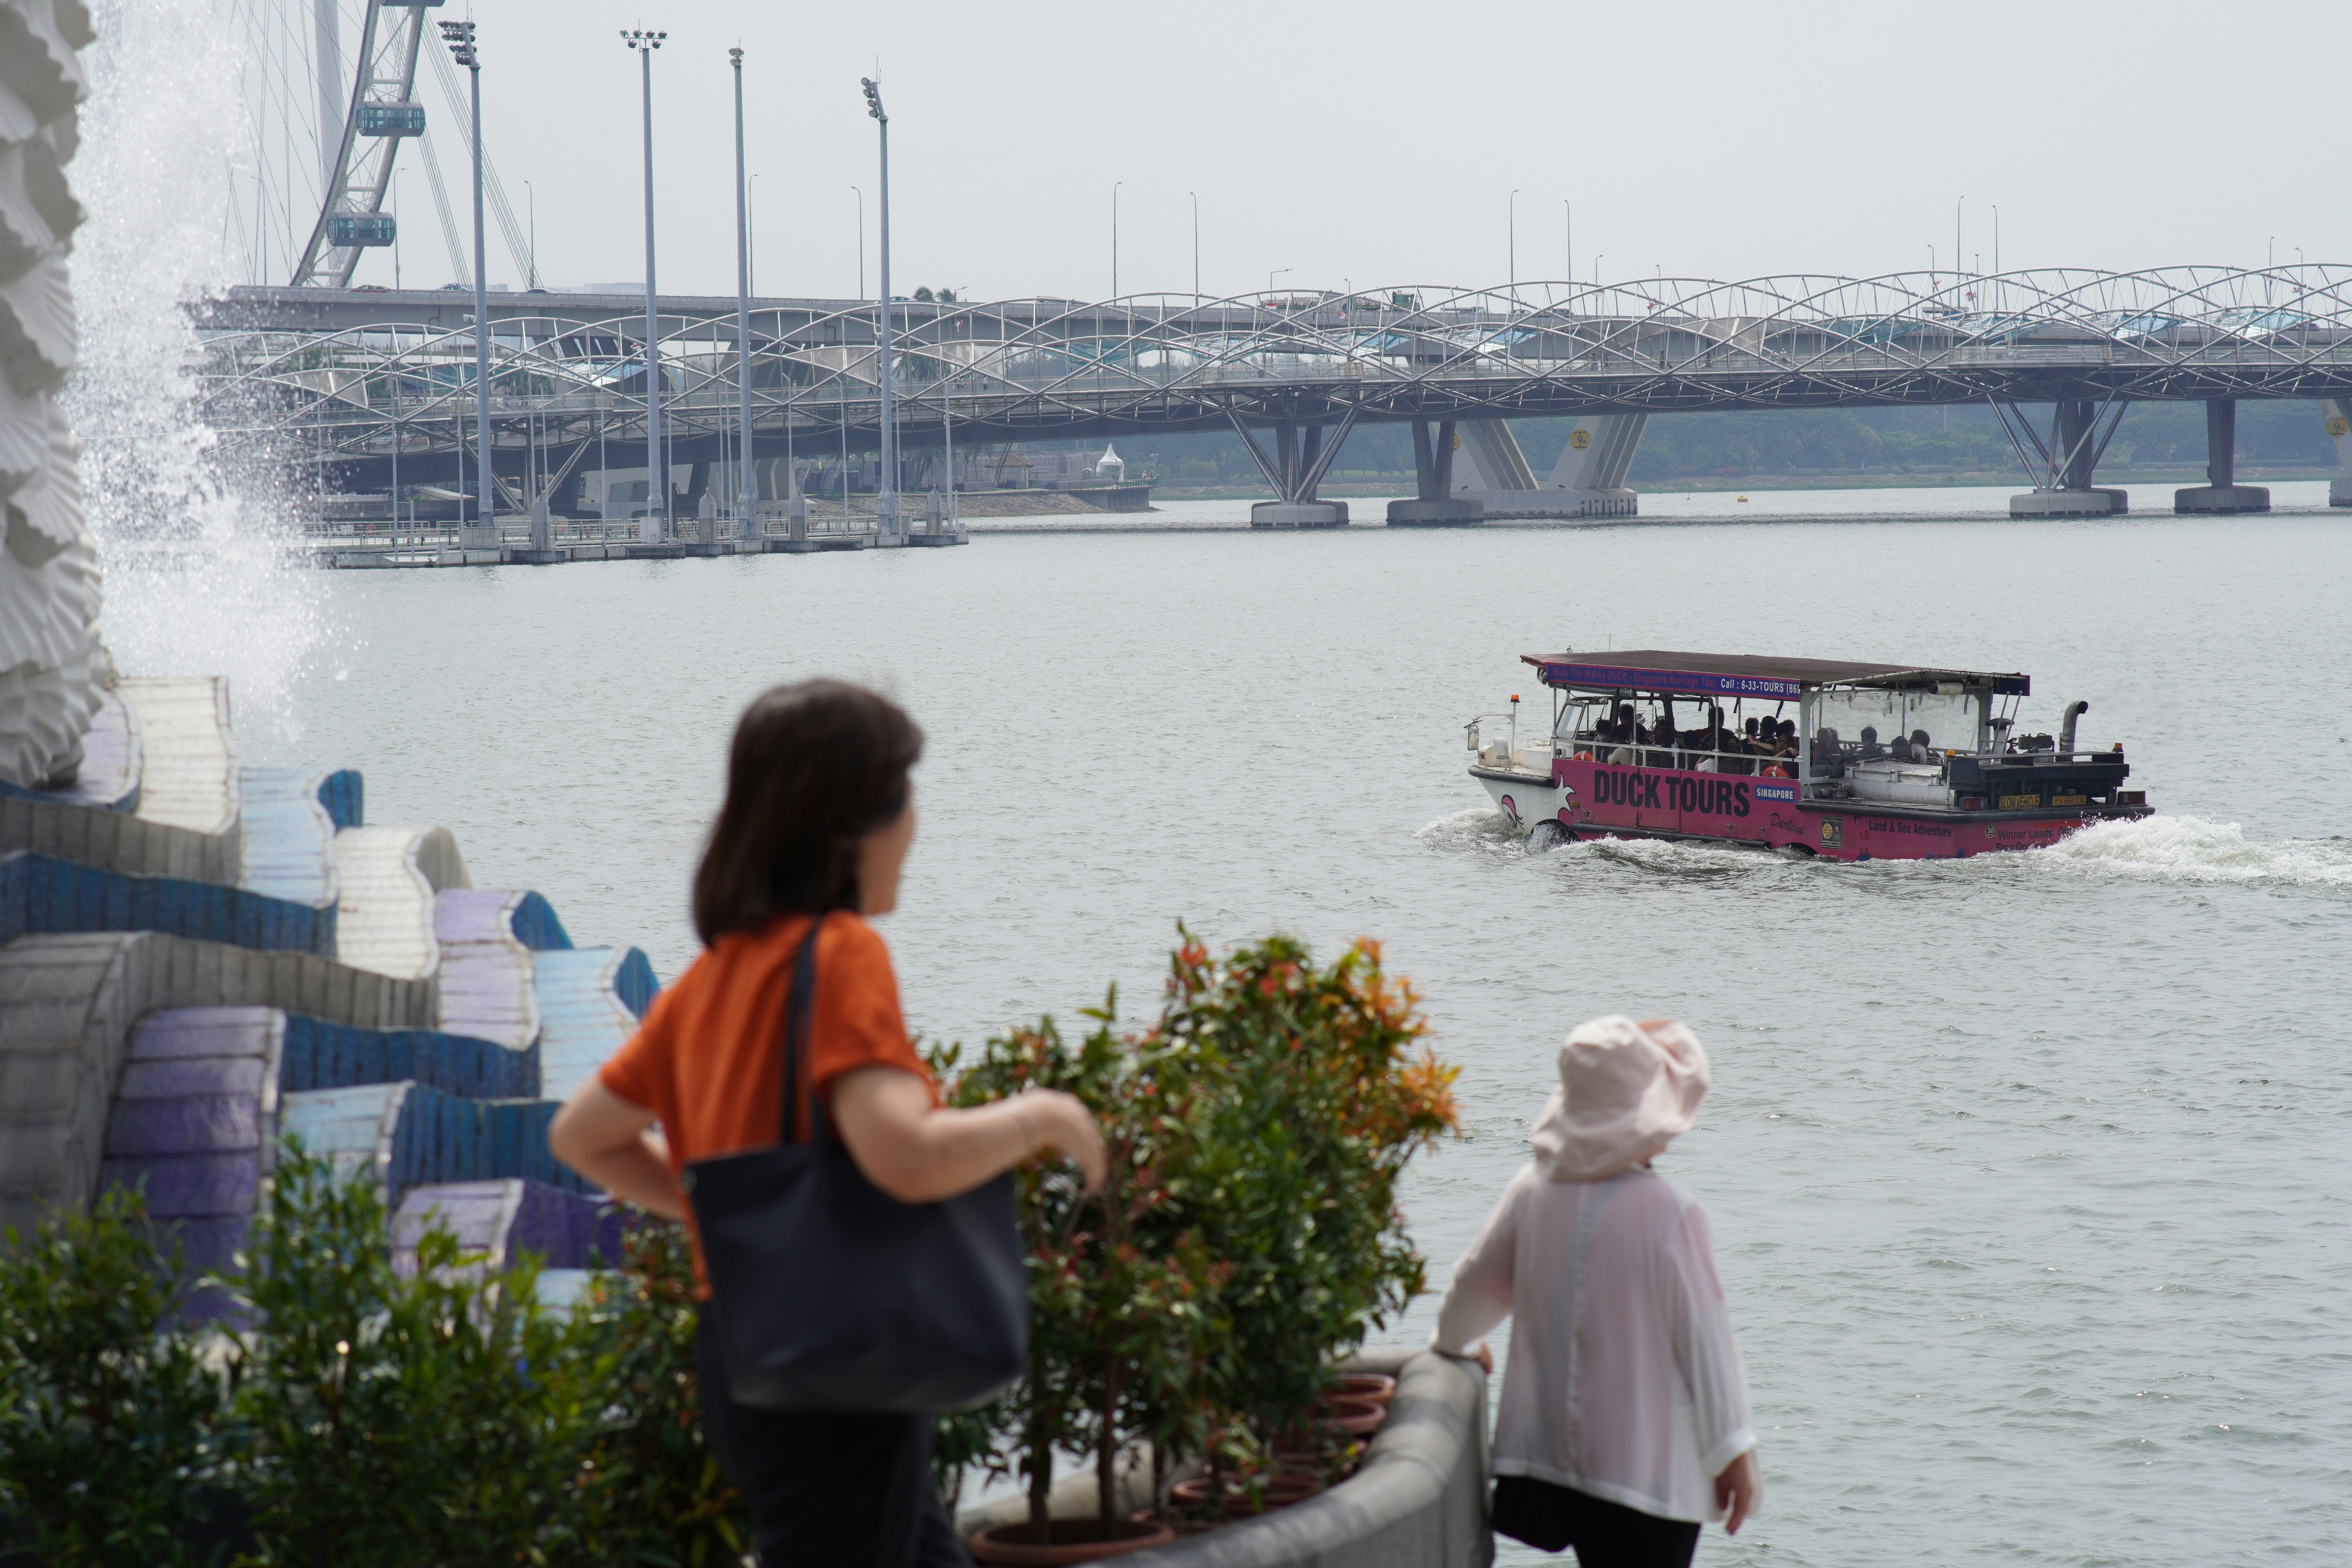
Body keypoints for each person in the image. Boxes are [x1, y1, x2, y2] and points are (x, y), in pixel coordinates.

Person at [549, 680, 1107, 1568]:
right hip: (837, 1362)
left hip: (748, 1349)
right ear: (852, 826)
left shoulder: (708, 982)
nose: (916, 825)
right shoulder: (841, 954)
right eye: (906, 796)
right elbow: (903, 1155)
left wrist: (727, 1217)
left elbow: (584, 1137)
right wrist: (1041, 1117)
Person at [1433, 1016, 1760, 1568]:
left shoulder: (1531, 1191)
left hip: (1553, 1469)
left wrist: (1456, 1345)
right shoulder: (1670, 1213)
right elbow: (1707, 1345)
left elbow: (1470, 1294)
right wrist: (1735, 1451)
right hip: (1648, 1475)